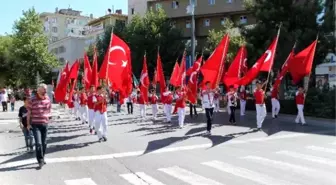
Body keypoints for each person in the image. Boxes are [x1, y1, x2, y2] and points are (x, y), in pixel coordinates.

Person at [27, 83, 52, 169]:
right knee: (38, 143)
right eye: (43, 89)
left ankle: (42, 156)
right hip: (35, 124)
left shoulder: (48, 99)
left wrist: (49, 117)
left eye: (45, 89)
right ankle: (40, 160)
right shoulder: (32, 99)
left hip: (45, 123)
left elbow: (49, 110)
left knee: (44, 143)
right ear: (38, 90)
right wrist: (28, 124)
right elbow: (29, 113)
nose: (45, 90)